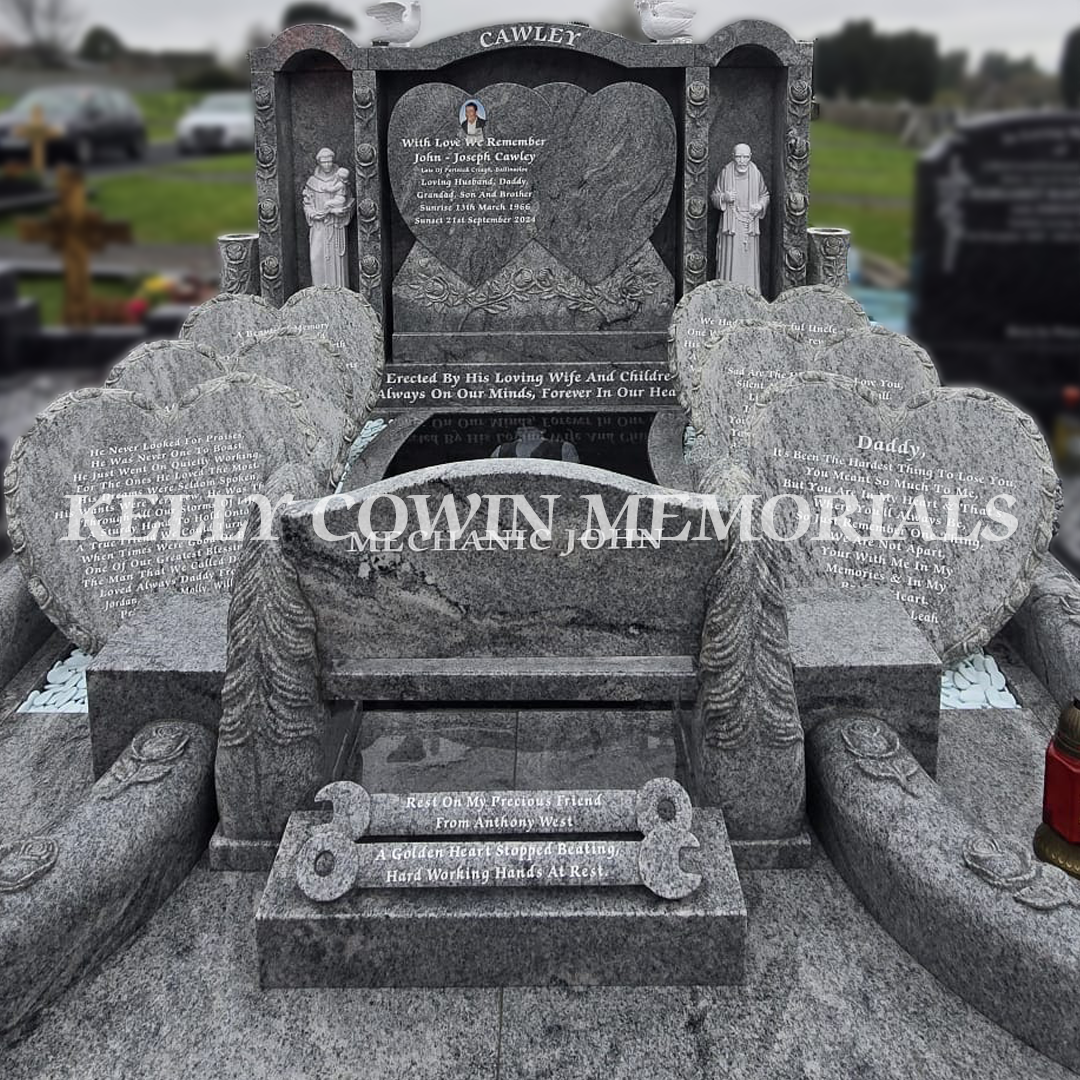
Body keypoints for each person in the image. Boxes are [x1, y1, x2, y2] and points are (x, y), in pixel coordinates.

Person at [711, 143, 769, 291]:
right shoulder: (726, 173)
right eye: (739, 156)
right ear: (733, 157)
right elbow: (714, 197)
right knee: (731, 263)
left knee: (748, 264)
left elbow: (765, 195)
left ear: (750, 157)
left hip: (750, 225)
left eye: (745, 157)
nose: (742, 160)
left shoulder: (756, 173)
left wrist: (760, 206)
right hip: (731, 227)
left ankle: (751, 295)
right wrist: (724, 197)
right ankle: (728, 295)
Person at [302, 149, 354, 287]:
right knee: (316, 258)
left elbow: (348, 200)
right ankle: (319, 294)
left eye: (329, 161)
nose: (327, 165)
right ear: (319, 162)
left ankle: (340, 292)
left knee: (337, 259)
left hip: (336, 226)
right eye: (324, 162)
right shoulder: (312, 182)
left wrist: (343, 211)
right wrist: (314, 214)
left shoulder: (341, 180)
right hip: (319, 227)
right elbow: (307, 204)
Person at [491, 423, 579, 462]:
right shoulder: (501, 450)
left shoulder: (563, 448)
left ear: (542, 430)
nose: (526, 433)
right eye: (521, 430)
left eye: (530, 429)